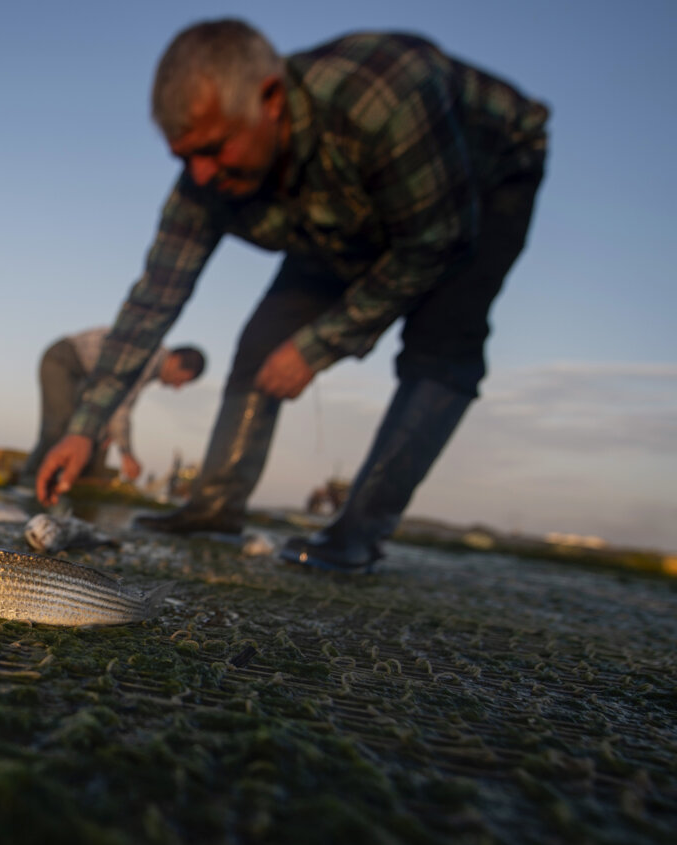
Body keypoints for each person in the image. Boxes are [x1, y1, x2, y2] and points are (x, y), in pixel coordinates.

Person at [36, 20, 548, 572]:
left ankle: (358, 532)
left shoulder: (383, 97)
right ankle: (215, 507)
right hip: (340, 209)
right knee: (262, 343)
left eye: (213, 150)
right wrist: (85, 428)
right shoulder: (204, 181)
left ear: (272, 100)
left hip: (478, 179)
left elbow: (433, 245)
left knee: (443, 342)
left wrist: (319, 345)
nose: (200, 176)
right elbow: (153, 300)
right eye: (184, 158)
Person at [22, 327, 204, 485]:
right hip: (64, 360)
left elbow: (111, 404)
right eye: (181, 379)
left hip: (90, 377)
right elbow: (121, 408)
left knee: (99, 430)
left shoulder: (153, 364)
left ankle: (75, 484)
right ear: (174, 360)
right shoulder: (148, 359)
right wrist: (127, 454)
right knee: (61, 425)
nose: (178, 387)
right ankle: (31, 480)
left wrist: (109, 429)